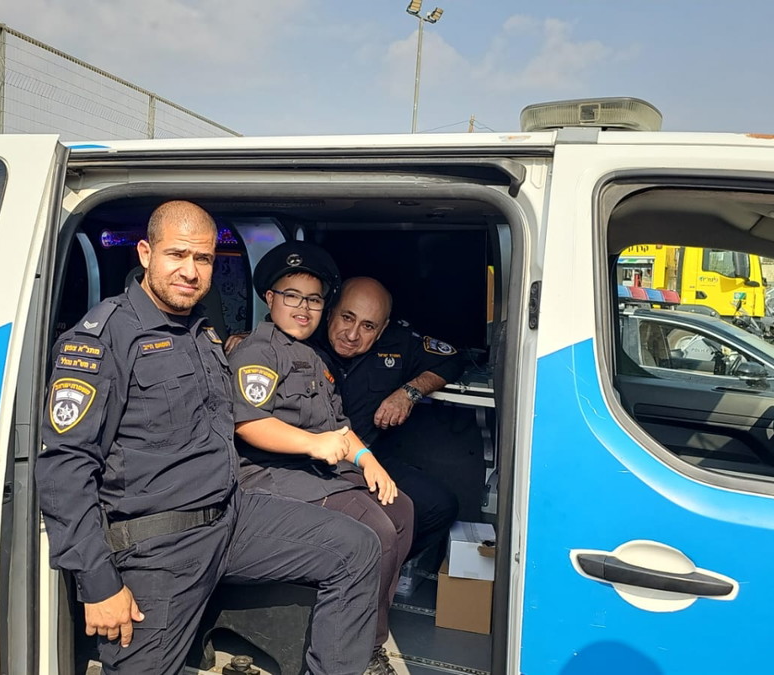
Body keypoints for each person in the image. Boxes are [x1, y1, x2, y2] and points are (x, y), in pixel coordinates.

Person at [36, 201, 381, 675]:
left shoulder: (201, 332)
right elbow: (65, 468)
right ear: (145, 253)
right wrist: (98, 584)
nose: (190, 271)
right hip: (161, 545)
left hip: (229, 518)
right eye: (177, 254)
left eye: (203, 259)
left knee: (357, 548)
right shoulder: (103, 339)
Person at [227, 242, 413, 675]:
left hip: (309, 475)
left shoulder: (313, 358)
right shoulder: (258, 351)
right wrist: (313, 444)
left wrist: (367, 459)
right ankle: (358, 653)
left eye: (313, 300)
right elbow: (248, 423)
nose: (303, 308)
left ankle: (368, 633)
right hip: (267, 479)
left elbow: (340, 426)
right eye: (292, 296)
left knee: (400, 508)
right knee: (377, 528)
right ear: (270, 298)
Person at [314, 277, 466, 569]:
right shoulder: (307, 333)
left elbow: (451, 360)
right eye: (347, 318)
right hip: (312, 460)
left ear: (382, 329)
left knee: (439, 506)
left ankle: (376, 569)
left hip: (367, 460)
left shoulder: (398, 342)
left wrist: (409, 393)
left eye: (368, 326)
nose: (352, 334)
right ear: (330, 311)